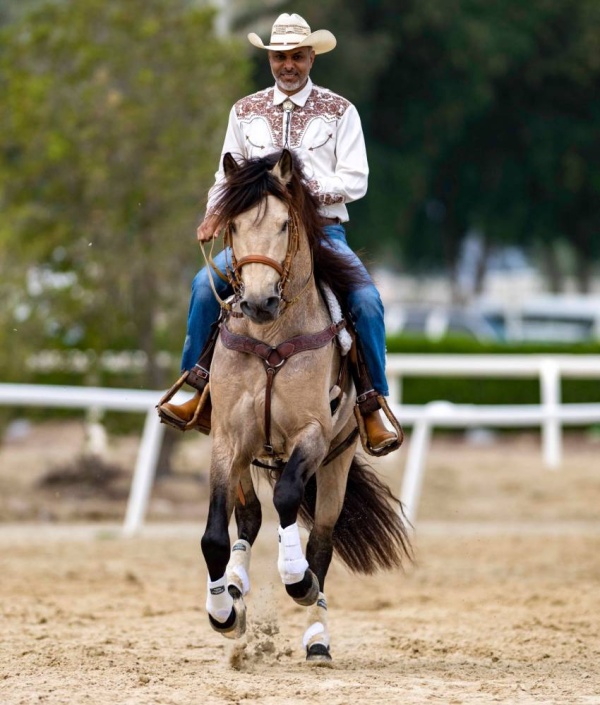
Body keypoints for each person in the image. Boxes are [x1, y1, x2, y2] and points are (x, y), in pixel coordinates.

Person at [159, 13, 398, 452]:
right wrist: (214, 213)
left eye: (296, 56)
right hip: (256, 238)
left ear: (311, 58)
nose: (288, 64)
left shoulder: (340, 111)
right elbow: (225, 174)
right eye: (280, 56)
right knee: (201, 286)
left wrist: (298, 192)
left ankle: (371, 402)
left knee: (366, 299)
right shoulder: (245, 111)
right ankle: (197, 385)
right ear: (271, 58)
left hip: (322, 232)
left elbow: (357, 179)